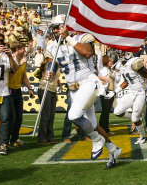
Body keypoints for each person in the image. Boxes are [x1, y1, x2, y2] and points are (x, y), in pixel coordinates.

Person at [45, 16, 121, 168]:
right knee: (92, 124)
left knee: (73, 115)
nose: (55, 31)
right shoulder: (53, 46)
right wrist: (49, 72)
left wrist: (69, 39)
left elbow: (87, 53)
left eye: (58, 27)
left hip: (88, 82)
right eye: (54, 28)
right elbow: (50, 64)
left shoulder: (82, 37)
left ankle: (96, 139)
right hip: (74, 88)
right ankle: (113, 149)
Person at [113, 52, 147, 144]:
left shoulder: (134, 63)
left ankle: (143, 136)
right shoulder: (123, 66)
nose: (121, 55)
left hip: (140, 93)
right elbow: (127, 81)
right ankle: (137, 120)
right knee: (117, 112)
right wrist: (115, 91)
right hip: (131, 92)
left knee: (135, 119)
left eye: (122, 53)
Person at [8, 42, 35, 147]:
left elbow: (24, 76)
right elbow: (10, 73)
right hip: (8, 90)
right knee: (9, 117)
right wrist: (19, 64)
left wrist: (30, 88)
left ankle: (14, 139)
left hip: (18, 90)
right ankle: (1, 139)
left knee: (19, 117)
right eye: (23, 48)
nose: (25, 50)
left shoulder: (23, 60)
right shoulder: (10, 59)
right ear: (18, 49)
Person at [35, 57, 61, 144]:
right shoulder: (50, 65)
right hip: (45, 89)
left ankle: (50, 136)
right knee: (46, 115)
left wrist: (59, 84)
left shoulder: (55, 65)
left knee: (51, 115)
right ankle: (42, 138)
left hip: (52, 90)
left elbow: (56, 77)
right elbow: (49, 75)